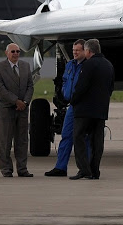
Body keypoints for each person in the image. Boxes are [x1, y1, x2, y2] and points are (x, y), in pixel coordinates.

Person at [69, 39, 115, 180]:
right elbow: (111, 87)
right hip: (101, 110)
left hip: (84, 110)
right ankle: (95, 170)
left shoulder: (88, 65)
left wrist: (73, 101)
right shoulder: (109, 65)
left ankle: (84, 169)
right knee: (97, 141)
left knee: (78, 137)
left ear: (88, 51)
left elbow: (81, 87)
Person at [45, 39, 88, 177]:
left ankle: (86, 168)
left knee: (84, 138)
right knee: (66, 135)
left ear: (85, 51)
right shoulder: (70, 65)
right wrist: (64, 92)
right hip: (72, 106)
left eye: (78, 50)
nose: (74, 53)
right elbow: (64, 80)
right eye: (73, 50)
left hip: (84, 107)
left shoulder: (89, 67)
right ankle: (61, 167)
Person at [0, 43, 34, 177]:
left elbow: (30, 86)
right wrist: (16, 101)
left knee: (22, 140)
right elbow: (0, 89)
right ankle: (6, 169)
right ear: (7, 53)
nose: (16, 54)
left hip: (22, 109)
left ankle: (22, 169)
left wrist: (25, 102)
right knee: (5, 141)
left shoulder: (25, 66)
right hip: (7, 109)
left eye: (18, 51)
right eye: (13, 52)